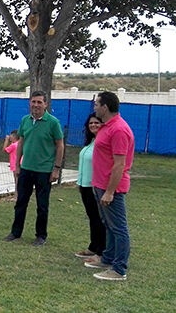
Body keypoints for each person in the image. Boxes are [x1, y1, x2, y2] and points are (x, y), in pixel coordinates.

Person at [3, 90, 65, 246]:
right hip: (26, 168)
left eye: (39, 102)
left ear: (46, 104)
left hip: (44, 170)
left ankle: (41, 235)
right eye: (33, 102)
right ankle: (15, 232)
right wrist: (17, 165)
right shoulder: (25, 120)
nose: (36, 105)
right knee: (21, 202)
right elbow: (21, 143)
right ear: (29, 103)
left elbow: (60, 145)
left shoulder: (53, 122)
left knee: (42, 205)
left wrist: (56, 168)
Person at [84, 91, 134, 281]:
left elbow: (120, 164)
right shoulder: (107, 126)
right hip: (100, 185)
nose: (94, 107)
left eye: (97, 104)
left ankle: (119, 269)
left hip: (111, 188)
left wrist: (110, 191)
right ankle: (108, 259)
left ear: (105, 107)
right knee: (109, 225)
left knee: (119, 228)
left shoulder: (119, 129)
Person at [74, 113, 106, 263]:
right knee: (92, 217)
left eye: (97, 123)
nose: (93, 125)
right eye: (91, 123)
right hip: (84, 185)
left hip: (95, 186)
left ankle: (101, 251)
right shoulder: (91, 142)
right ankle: (93, 246)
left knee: (99, 219)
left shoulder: (103, 142)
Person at [3, 129, 20, 200]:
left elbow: (4, 150)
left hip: (15, 165)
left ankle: (16, 197)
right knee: (19, 181)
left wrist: (6, 141)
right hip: (20, 164)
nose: (9, 137)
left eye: (11, 136)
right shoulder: (20, 143)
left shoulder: (13, 145)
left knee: (17, 181)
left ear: (14, 136)